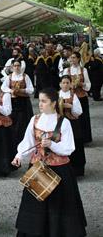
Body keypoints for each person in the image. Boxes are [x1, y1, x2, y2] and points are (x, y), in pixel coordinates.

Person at [12, 87, 87, 237]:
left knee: (59, 204)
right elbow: (28, 142)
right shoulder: (35, 120)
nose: (40, 104)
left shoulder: (64, 122)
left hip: (60, 170)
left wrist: (52, 145)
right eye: (39, 101)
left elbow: (69, 148)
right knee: (35, 202)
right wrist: (19, 155)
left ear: (53, 103)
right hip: (38, 168)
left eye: (44, 101)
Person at [1, 59, 34, 149]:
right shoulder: (9, 77)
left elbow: (31, 89)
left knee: (23, 122)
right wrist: (11, 90)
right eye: (15, 66)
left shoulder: (25, 76)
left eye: (18, 65)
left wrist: (22, 90)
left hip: (23, 102)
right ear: (12, 67)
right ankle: (14, 141)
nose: (16, 67)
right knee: (14, 122)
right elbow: (3, 87)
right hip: (13, 103)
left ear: (20, 66)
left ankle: (24, 141)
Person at [59, 75, 86, 176]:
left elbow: (79, 111)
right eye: (63, 83)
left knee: (75, 143)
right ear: (60, 84)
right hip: (59, 123)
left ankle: (76, 169)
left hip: (72, 123)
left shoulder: (73, 95)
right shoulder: (57, 95)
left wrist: (70, 106)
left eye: (67, 83)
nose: (65, 85)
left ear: (70, 84)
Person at [63, 51, 92, 144]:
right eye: (71, 57)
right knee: (70, 117)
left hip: (81, 96)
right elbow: (63, 83)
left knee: (82, 117)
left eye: (74, 57)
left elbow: (88, 84)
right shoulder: (66, 70)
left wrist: (81, 84)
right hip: (70, 97)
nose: (72, 59)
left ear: (78, 59)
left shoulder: (84, 70)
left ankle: (84, 138)